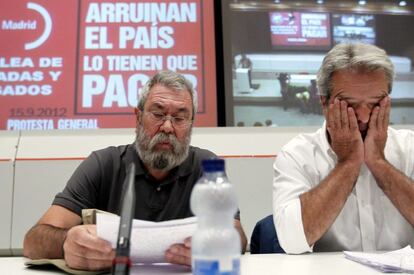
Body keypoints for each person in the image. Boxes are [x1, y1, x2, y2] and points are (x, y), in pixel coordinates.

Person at [23, 71, 247, 270]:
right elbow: (33, 241)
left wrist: (213, 245)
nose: (168, 127)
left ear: (190, 124)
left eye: (179, 118)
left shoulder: (205, 166)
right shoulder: (104, 163)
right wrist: (65, 242)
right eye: (158, 115)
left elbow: (237, 236)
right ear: (138, 117)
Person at [273, 43, 414, 254]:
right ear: (324, 102)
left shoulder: (409, 147)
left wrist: (378, 162)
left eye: (375, 104)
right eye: (350, 105)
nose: (364, 117)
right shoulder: (297, 154)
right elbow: (292, 242)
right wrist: (348, 163)